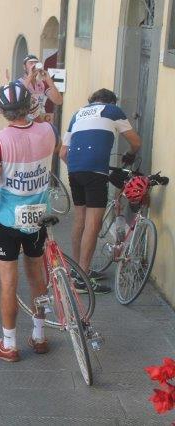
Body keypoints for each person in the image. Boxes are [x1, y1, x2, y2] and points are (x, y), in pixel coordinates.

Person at [0, 82, 56, 361]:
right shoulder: (48, 131)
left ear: (1, 110)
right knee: (37, 276)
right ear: (28, 105)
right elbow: (46, 125)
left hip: (8, 219)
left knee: (9, 284)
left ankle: (9, 345)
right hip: (39, 215)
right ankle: (39, 336)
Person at [60, 88, 141, 292]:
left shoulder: (77, 114)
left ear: (92, 101)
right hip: (95, 170)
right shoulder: (113, 110)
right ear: (111, 101)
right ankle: (83, 279)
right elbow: (136, 142)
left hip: (74, 170)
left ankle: (77, 270)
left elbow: (62, 153)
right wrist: (130, 154)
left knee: (79, 219)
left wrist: (78, 166)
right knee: (93, 223)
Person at [18, 55, 63, 122]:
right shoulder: (18, 83)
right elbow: (17, 98)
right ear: (24, 67)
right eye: (31, 63)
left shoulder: (42, 84)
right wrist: (30, 76)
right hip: (25, 121)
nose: (34, 66)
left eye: (36, 63)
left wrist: (49, 80)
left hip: (40, 121)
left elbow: (58, 101)